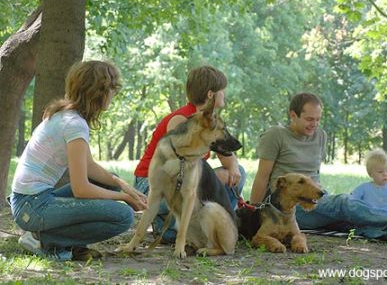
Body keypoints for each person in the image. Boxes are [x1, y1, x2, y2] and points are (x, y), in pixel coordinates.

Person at [250, 92, 387, 247]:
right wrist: (253, 213)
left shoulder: (320, 136)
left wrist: (319, 198)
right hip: (286, 207)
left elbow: (314, 176)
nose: (315, 124)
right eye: (310, 119)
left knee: (353, 222)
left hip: (314, 202)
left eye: (318, 119)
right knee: (344, 203)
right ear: (293, 115)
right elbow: (262, 177)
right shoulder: (276, 135)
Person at [9, 61, 148, 261]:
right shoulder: (74, 124)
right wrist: (124, 198)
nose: (113, 94)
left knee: (110, 180)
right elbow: (81, 188)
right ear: (97, 92)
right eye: (111, 89)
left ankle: (56, 240)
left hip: (31, 201)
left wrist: (122, 185)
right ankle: (42, 239)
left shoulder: (67, 116)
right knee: (123, 216)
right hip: (31, 207)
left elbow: (89, 167)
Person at [134, 65, 246, 242]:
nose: (225, 94)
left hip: (186, 183)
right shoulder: (181, 119)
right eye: (222, 91)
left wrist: (233, 167)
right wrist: (220, 177)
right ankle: (175, 226)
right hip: (150, 185)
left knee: (238, 172)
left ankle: (219, 225)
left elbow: (226, 153)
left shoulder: (210, 120)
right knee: (209, 180)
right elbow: (178, 165)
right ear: (211, 94)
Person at [351, 149, 387, 214]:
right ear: (370, 174)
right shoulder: (364, 188)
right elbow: (352, 199)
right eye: (380, 172)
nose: (385, 174)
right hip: (372, 215)